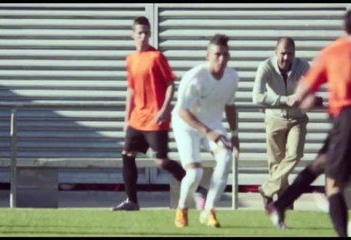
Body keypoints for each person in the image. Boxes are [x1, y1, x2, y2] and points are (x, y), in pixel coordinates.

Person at [265, 7, 351, 230]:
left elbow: (304, 90)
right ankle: (280, 204)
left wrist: (303, 100)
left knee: (333, 185)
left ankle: (340, 231)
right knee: (320, 163)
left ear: (345, 27)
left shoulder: (333, 52)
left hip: (347, 119)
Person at [112, 16, 207, 211]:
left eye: (147, 33)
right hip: (137, 118)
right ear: (133, 35)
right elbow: (130, 90)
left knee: (161, 160)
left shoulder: (156, 57)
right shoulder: (130, 60)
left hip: (156, 119)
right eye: (140, 33)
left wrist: (164, 109)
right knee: (127, 154)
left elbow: (171, 83)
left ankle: (198, 190)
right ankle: (132, 201)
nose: (144, 37)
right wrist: (126, 118)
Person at [172, 34, 240, 228]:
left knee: (227, 158)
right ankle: (182, 209)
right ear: (207, 56)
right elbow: (182, 111)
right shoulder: (194, 78)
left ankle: (208, 210)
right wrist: (207, 131)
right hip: (186, 125)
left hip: (213, 123)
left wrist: (234, 135)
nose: (221, 59)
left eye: (225, 55)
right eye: (217, 54)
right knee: (195, 174)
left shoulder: (232, 77)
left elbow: (229, 105)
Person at [252, 37, 311, 207]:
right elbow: (257, 97)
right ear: (275, 52)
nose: (286, 58)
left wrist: (305, 93)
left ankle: (267, 188)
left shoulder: (304, 67)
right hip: (274, 118)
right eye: (283, 53)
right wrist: (284, 100)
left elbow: (310, 91)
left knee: (294, 154)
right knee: (276, 163)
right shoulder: (265, 67)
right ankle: (283, 204)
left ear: (295, 53)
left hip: (297, 119)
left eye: (290, 54)